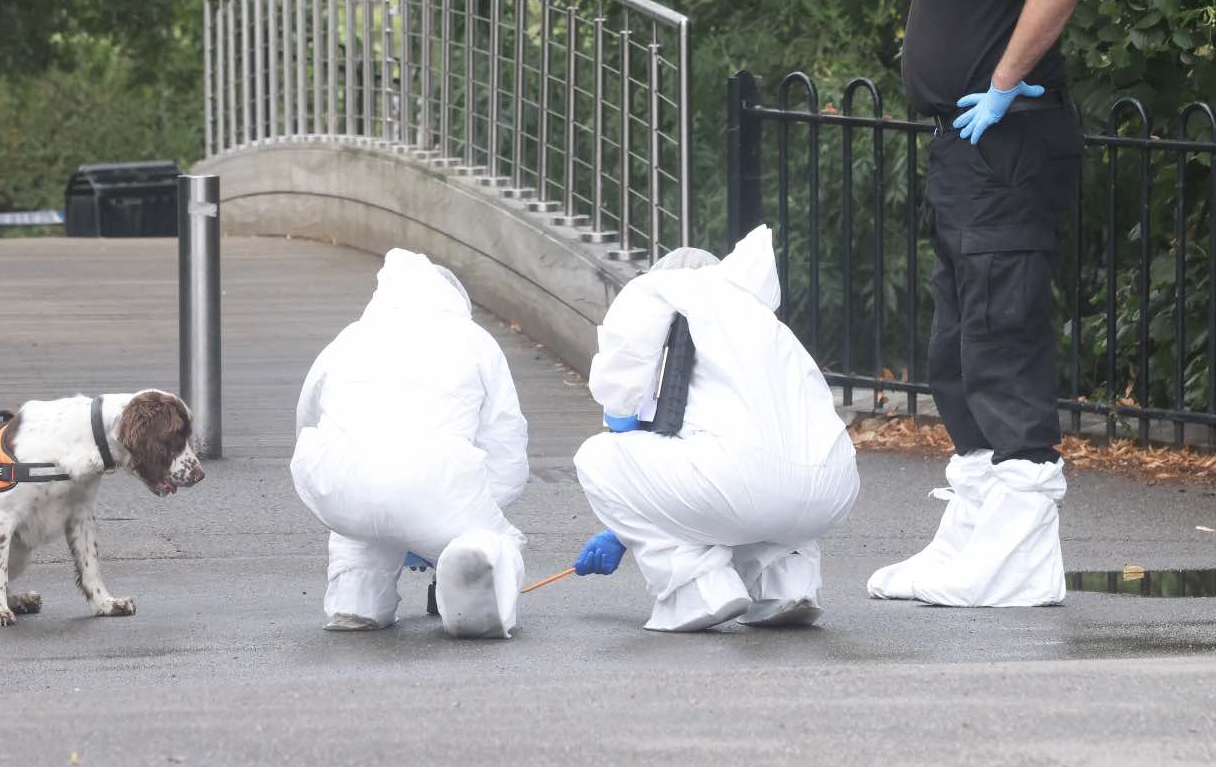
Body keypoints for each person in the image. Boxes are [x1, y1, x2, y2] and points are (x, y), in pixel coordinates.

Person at [829, 0, 1089, 607]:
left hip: (1006, 155)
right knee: (958, 346)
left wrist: (1005, 83)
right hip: (964, 156)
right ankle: (977, 524)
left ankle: (1019, 553)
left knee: (1002, 335)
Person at [570, 227, 859, 631]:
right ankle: (788, 583)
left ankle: (695, 588)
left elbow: (619, 403)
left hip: (743, 484)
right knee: (772, 470)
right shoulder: (765, 322)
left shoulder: (659, 295)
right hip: (833, 491)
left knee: (597, 458)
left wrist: (625, 524)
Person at [289, 248, 529, 638]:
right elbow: (505, 442)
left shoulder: (348, 338)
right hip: (433, 481)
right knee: (486, 539)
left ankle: (356, 600)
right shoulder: (474, 341)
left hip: (339, 485)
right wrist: (464, 513)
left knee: (363, 525)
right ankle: (472, 576)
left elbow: (307, 417)